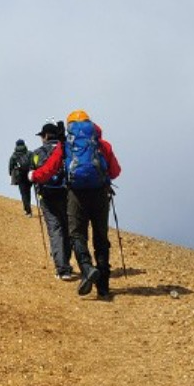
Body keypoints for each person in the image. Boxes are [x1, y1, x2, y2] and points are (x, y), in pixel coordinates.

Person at [62, 109, 121, 299]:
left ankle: (87, 269)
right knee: (101, 239)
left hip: (76, 195)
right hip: (100, 195)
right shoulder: (103, 145)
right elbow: (115, 171)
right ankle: (103, 286)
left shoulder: (66, 145)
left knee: (77, 234)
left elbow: (52, 168)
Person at [28, 123, 74, 281]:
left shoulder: (37, 153)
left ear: (46, 136)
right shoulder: (66, 149)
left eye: (42, 135)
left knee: (55, 230)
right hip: (66, 194)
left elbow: (32, 172)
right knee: (67, 228)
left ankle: (62, 269)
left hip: (47, 196)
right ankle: (67, 262)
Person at [8, 139, 33, 216]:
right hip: (29, 175)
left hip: (20, 176)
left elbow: (11, 166)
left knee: (23, 193)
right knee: (28, 192)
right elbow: (33, 163)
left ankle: (27, 210)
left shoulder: (14, 155)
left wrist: (11, 174)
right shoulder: (29, 153)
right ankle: (28, 207)